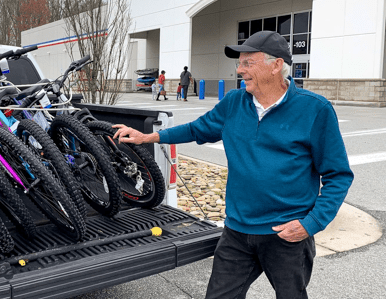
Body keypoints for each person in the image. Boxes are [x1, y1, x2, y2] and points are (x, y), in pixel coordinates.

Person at [112, 31, 354, 299]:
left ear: (276, 66)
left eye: (248, 63)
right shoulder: (234, 103)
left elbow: (338, 175)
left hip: (287, 235)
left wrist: (311, 224)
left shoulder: (315, 110)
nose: (240, 70)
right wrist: (149, 137)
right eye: (239, 63)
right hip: (237, 232)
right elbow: (198, 129)